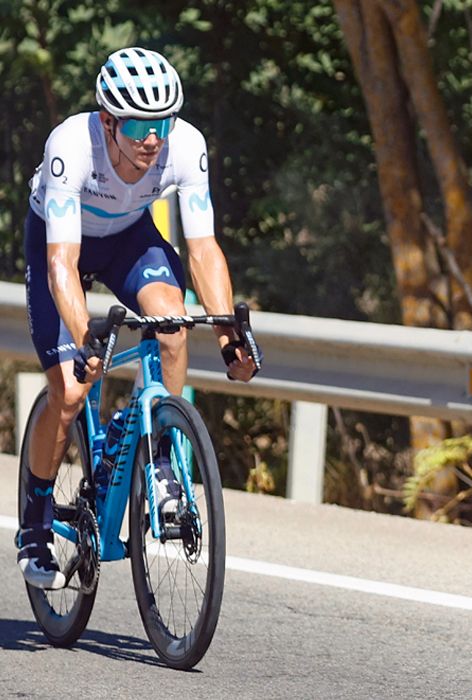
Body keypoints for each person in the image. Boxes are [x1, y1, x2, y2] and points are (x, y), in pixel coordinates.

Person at [17, 47, 257, 590]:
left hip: (128, 239)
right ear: (107, 121)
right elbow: (62, 264)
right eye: (137, 125)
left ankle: (165, 465)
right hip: (60, 243)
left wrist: (227, 335)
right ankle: (34, 526)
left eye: (163, 121)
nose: (153, 138)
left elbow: (203, 249)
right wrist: (84, 339)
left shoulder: (185, 146)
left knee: (172, 324)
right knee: (72, 392)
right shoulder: (71, 148)